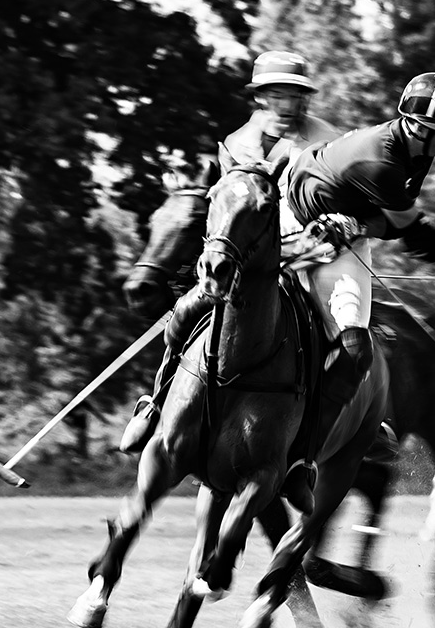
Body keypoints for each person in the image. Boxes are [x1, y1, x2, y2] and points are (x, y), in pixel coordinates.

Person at [120, 50, 345, 457]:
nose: (285, 104)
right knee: (186, 311)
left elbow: (345, 199)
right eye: (276, 95)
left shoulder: (327, 141)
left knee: (339, 335)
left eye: (293, 95)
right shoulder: (236, 143)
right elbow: (226, 207)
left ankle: (335, 431)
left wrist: (333, 226)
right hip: (247, 260)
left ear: (304, 99)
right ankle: (156, 402)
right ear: (260, 96)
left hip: (311, 255)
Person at [276, 71, 435, 495]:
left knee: (355, 348)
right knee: (223, 294)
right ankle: (159, 404)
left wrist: (360, 224)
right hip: (289, 222)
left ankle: (310, 452)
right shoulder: (382, 159)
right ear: (419, 127)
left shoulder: (417, 152)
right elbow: (417, 235)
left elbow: (391, 224)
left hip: (342, 235)